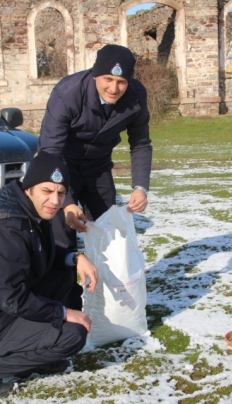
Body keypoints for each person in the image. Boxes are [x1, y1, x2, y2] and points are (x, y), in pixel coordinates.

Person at [0, 152, 99, 398]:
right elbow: (12, 299)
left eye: (61, 193)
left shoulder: (29, 211)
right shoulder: (6, 229)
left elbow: (40, 252)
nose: (55, 200)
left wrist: (75, 257)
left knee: (64, 274)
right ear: (29, 188)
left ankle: (41, 357)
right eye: (47, 191)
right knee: (73, 335)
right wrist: (63, 313)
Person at [38, 44, 153, 250]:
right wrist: (66, 201)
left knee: (106, 232)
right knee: (61, 238)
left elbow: (141, 143)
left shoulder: (136, 96)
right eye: (108, 79)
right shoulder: (67, 93)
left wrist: (140, 187)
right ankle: (64, 280)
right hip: (63, 168)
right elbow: (50, 151)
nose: (114, 88)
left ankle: (105, 281)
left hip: (98, 167)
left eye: (121, 82)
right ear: (95, 75)